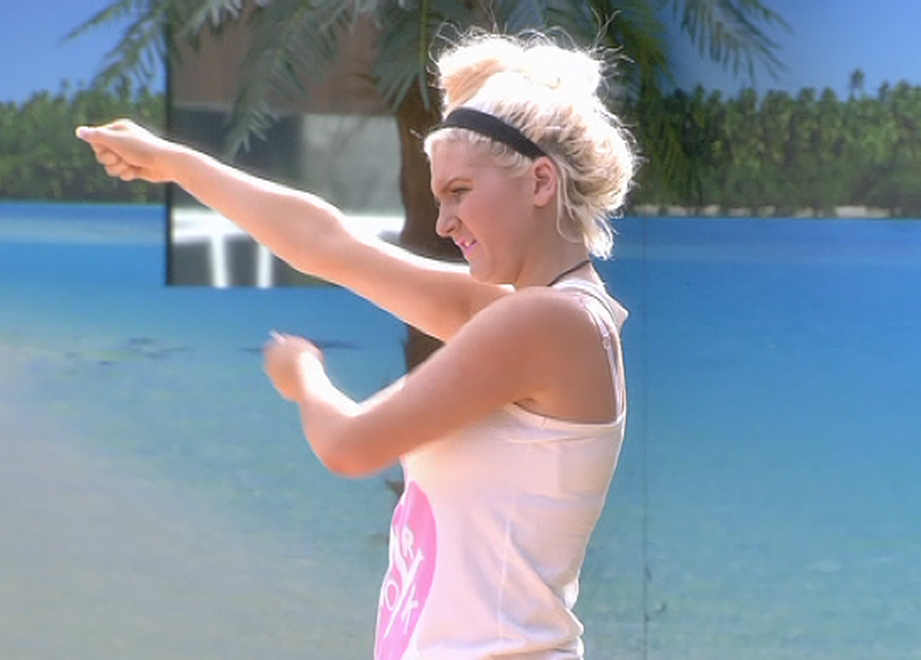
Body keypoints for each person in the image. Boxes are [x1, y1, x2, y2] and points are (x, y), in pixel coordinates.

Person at [77, 30, 636, 660]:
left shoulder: (547, 321)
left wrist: (304, 377)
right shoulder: (536, 316)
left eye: (459, 192)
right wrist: (173, 162)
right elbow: (327, 244)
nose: (444, 223)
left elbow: (349, 444)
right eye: (439, 199)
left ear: (540, 181)